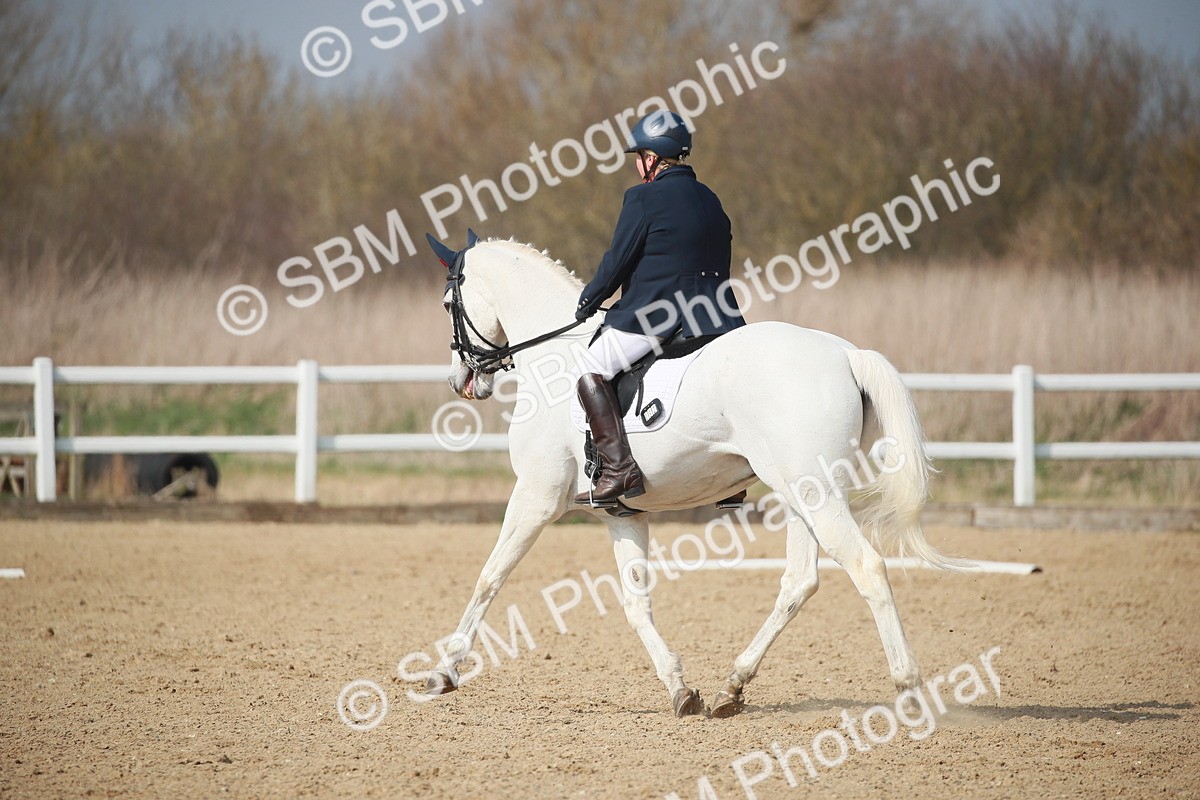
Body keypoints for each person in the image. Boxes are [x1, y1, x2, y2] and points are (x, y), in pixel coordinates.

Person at [572, 110, 745, 505]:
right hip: (719, 317)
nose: (637, 164)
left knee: (588, 367)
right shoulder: (711, 198)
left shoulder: (643, 198)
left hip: (659, 317)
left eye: (639, 156)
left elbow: (618, 261)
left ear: (651, 158)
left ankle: (618, 470)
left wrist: (588, 300)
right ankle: (734, 481)